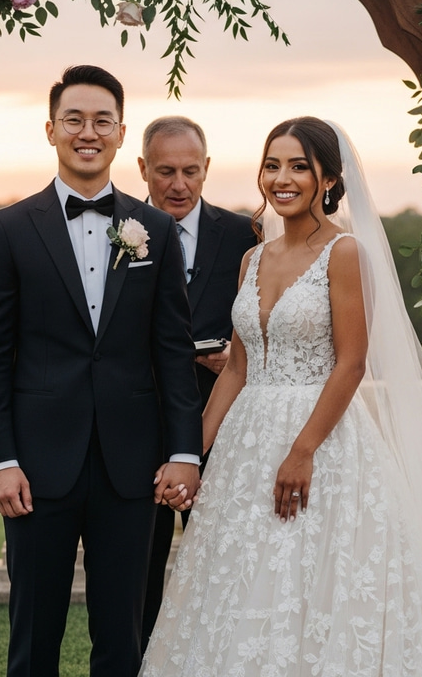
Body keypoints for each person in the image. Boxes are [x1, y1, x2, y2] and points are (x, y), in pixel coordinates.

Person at [140, 117, 422, 676]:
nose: (282, 178)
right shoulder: (252, 259)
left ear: (328, 178)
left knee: (317, 576)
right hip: (247, 443)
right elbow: (237, 370)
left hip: (321, 440)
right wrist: (189, 454)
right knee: (243, 576)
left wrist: (302, 451)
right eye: (273, 165)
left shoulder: (344, 253)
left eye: (298, 166)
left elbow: (351, 363)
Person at [0, 65, 203, 677]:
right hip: (36, 469)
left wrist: (185, 450)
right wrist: (0, 460)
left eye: (102, 120)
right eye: (74, 119)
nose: (88, 132)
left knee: (124, 639)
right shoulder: (10, 229)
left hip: (133, 468)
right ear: (51, 130)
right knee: (34, 639)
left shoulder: (153, 229)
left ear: (122, 133)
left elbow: (172, 352)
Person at [137, 116, 258, 645]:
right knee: (138, 571)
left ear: (207, 169)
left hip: (225, 426)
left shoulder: (241, 235)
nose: (179, 185)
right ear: (143, 168)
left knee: (226, 563)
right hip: (138, 424)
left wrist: (239, 353)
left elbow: (271, 320)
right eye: (165, 172)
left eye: (190, 171)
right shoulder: (120, 228)